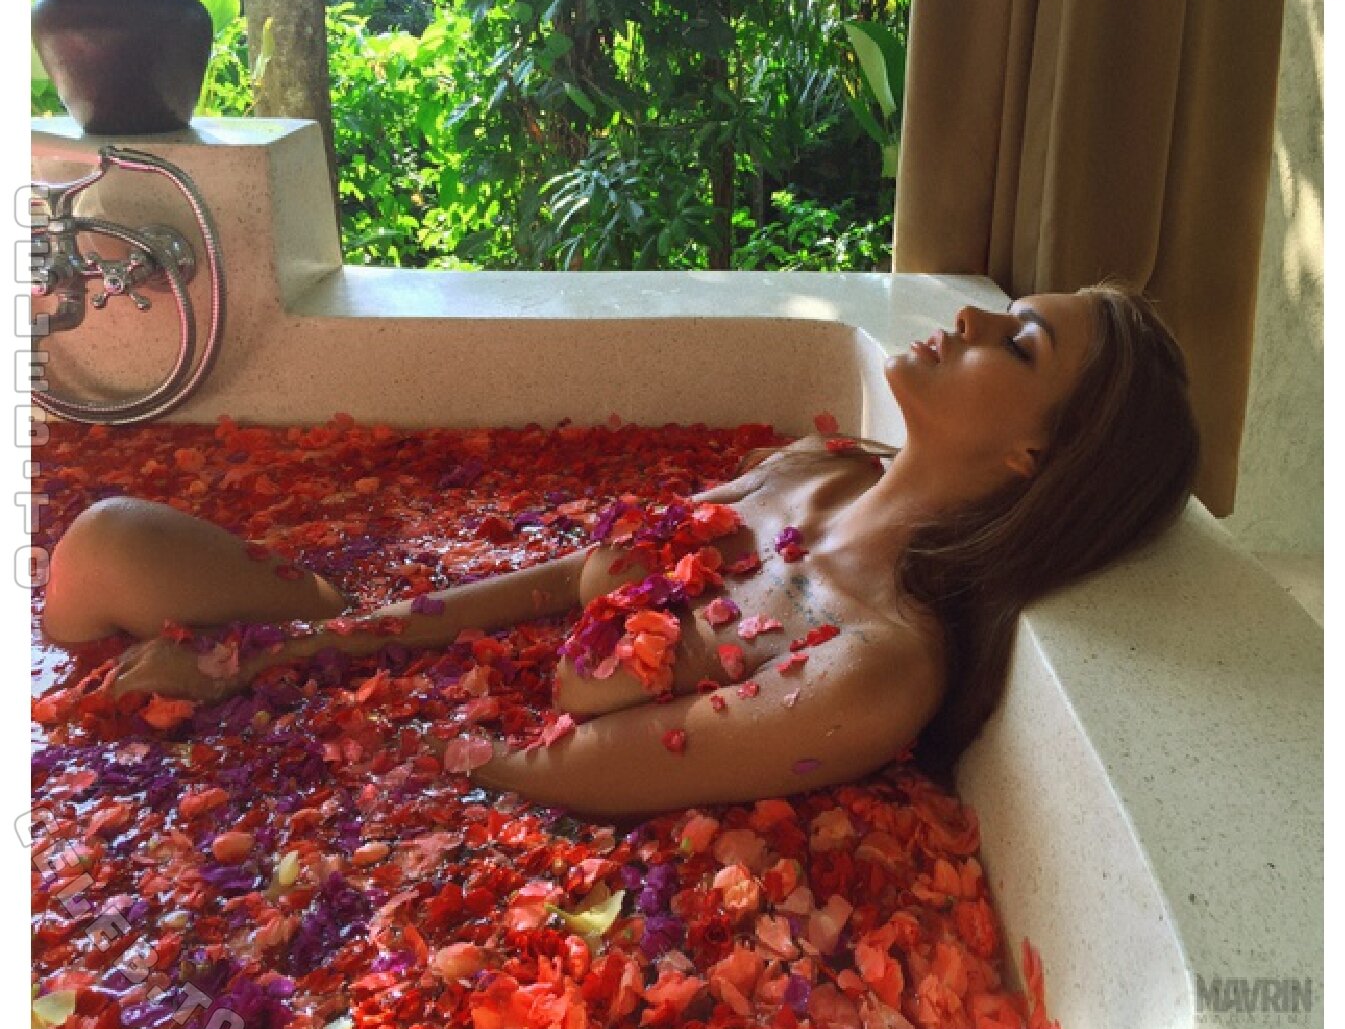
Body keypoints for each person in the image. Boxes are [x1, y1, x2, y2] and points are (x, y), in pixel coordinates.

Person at [39, 280, 1200, 818]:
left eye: (1022, 342)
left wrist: (292, 715)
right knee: (103, 541)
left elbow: (566, 761)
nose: (977, 315)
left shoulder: (872, 664)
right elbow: (560, 577)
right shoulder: (819, 465)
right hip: (433, 637)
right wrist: (300, 646)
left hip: (466, 761)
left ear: (1034, 460)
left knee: (106, 623)